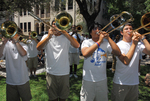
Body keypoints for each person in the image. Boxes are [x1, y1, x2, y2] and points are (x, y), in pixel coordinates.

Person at [36, 20, 80, 101]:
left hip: (64, 72)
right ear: (50, 26)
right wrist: (48, 37)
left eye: (57, 25)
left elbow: (77, 45)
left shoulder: (66, 37)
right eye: (53, 24)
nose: (55, 26)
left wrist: (65, 32)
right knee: (53, 98)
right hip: (51, 72)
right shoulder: (46, 36)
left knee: (63, 97)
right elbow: (38, 48)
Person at [80, 23, 121, 101]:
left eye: (99, 28)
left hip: (102, 80)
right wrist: (99, 41)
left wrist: (108, 38)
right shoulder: (87, 42)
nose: (98, 30)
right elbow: (85, 53)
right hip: (88, 80)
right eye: (95, 29)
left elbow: (118, 53)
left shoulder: (106, 43)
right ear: (90, 32)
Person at [111, 23, 150, 101]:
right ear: (121, 33)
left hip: (134, 83)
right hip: (121, 83)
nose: (129, 30)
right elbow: (126, 61)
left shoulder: (138, 44)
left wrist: (143, 38)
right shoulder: (118, 45)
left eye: (131, 29)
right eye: (126, 29)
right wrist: (134, 44)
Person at [0, 34, 32, 101]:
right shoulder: (6, 45)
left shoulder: (23, 45)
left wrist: (16, 42)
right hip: (10, 81)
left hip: (23, 80)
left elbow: (23, 53)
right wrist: (3, 43)